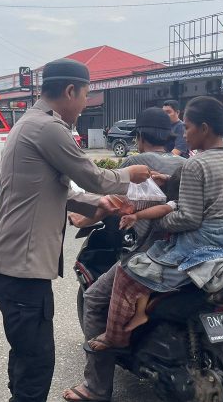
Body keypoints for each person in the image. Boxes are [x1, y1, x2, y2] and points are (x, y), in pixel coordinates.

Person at [0, 58, 151, 402]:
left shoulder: (29, 123)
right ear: (71, 90)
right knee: (37, 361)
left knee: (26, 353)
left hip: (11, 263)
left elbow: (58, 188)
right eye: (85, 96)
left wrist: (98, 205)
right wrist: (130, 174)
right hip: (21, 268)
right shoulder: (50, 128)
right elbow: (93, 175)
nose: (84, 105)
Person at [86, 96, 223, 353]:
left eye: (187, 127)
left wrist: (154, 218)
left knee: (127, 274)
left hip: (199, 249)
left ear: (204, 128)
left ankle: (114, 336)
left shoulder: (197, 163)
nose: (183, 135)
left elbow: (188, 218)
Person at [63, 107, 186, 402]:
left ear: (140, 136)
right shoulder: (183, 164)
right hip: (184, 255)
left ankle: (96, 387)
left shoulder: (136, 162)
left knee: (94, 300)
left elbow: (116, 203)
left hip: (147, 255)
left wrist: (80, 219)